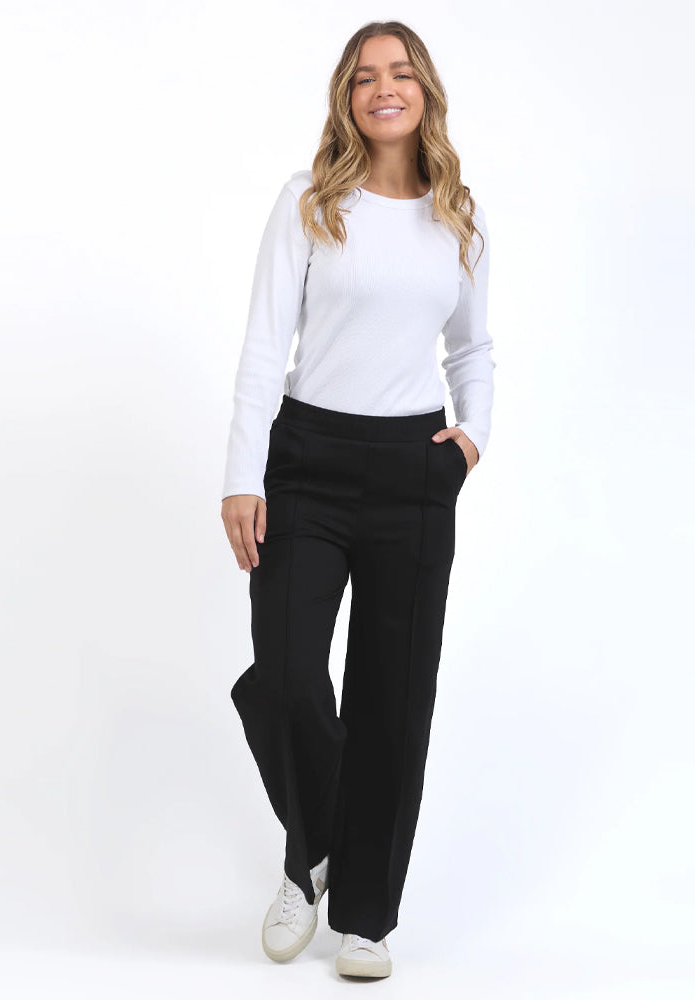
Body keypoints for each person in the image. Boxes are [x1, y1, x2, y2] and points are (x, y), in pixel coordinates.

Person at [220, 20, 495, 980]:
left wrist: (472, 440)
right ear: (347, 95)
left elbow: (474, 345)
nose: (385, 89)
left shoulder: (457, 213)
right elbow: (265, 345)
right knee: (287, 674)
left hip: (413, 467)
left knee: (394, 697)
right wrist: (243, 473)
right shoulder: (310, 201)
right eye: (367, 76)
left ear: (425, 92)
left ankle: (366, 916)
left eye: (401, 73)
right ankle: (314, 852)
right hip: (306, 459)